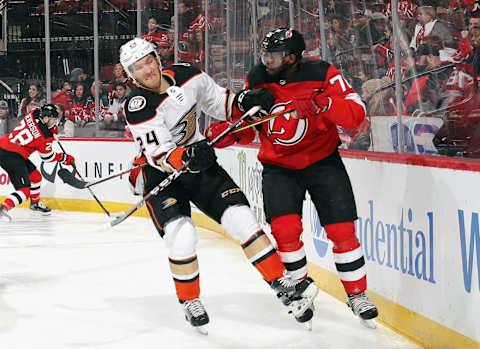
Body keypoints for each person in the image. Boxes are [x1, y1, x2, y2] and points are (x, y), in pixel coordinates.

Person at [118, 37, 319, 332]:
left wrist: (244, 101)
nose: (147, 69)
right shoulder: (137, 106)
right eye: (138, 67)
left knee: (242, 217)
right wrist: (187, 155)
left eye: (149, 60)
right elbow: (160, 155)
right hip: (163, 175)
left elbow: (222, 104)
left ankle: (282, 284)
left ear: (157, 59)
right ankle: (190, 301)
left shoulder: (188, 74)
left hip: (200, 161)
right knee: (181, 235)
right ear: (130, 75)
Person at [205, 28, 379, 327]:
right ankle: (299, 293)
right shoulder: (258, 76)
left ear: (291, 57)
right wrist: (225, 132)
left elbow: (356, 114)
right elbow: (250, 126)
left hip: (323, 162)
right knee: (285, 232)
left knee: (341, 231)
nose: (265, 60)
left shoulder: (322, 72)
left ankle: (357, 294)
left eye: (271, 55)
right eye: (264, 54)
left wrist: (323, 103)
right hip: (279, 167)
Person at [0, 104, 75, 221]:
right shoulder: (44, 136)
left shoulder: (33, 113)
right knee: (24, 192)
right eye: (53, 120)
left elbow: (39, 110)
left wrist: (51, 129)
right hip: (13, 156)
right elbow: (47, 157)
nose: (54, 122)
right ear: (45, 118)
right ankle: (3, 208)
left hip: (5, 146)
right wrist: (64, 158)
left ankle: (35, 204)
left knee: (36, 177)